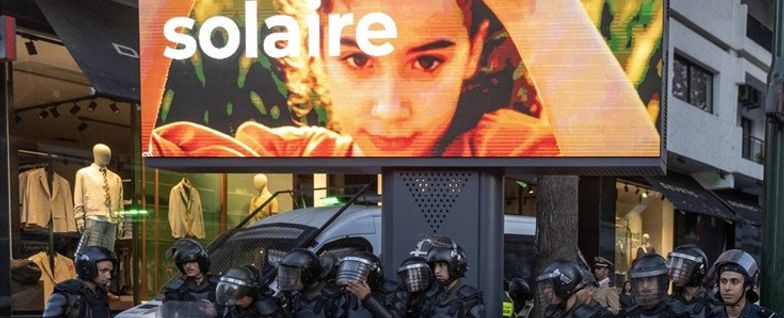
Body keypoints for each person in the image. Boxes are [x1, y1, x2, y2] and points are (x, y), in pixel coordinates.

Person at [149, 0, 658, 159]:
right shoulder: (290, 153)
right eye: (358, 61)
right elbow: (166, 145)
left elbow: (624, 154)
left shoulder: (499, 144)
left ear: (472, 52)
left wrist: (531, 13)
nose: (390, 109)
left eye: (428, 63)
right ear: (315, 51)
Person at [667, 245, 719, 318]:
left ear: (697, 271)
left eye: (683, 268)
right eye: (675, 265)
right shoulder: (668, 302)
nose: (676, 271)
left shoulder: (713, 305)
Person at [162, 237, 219, 304]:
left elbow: (229, 311)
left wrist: (215, 310)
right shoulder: (176, 289)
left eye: (192, 261)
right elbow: (168, 312)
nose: (187, 266)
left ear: (201, 262)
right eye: (184, 263)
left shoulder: (219, 286)